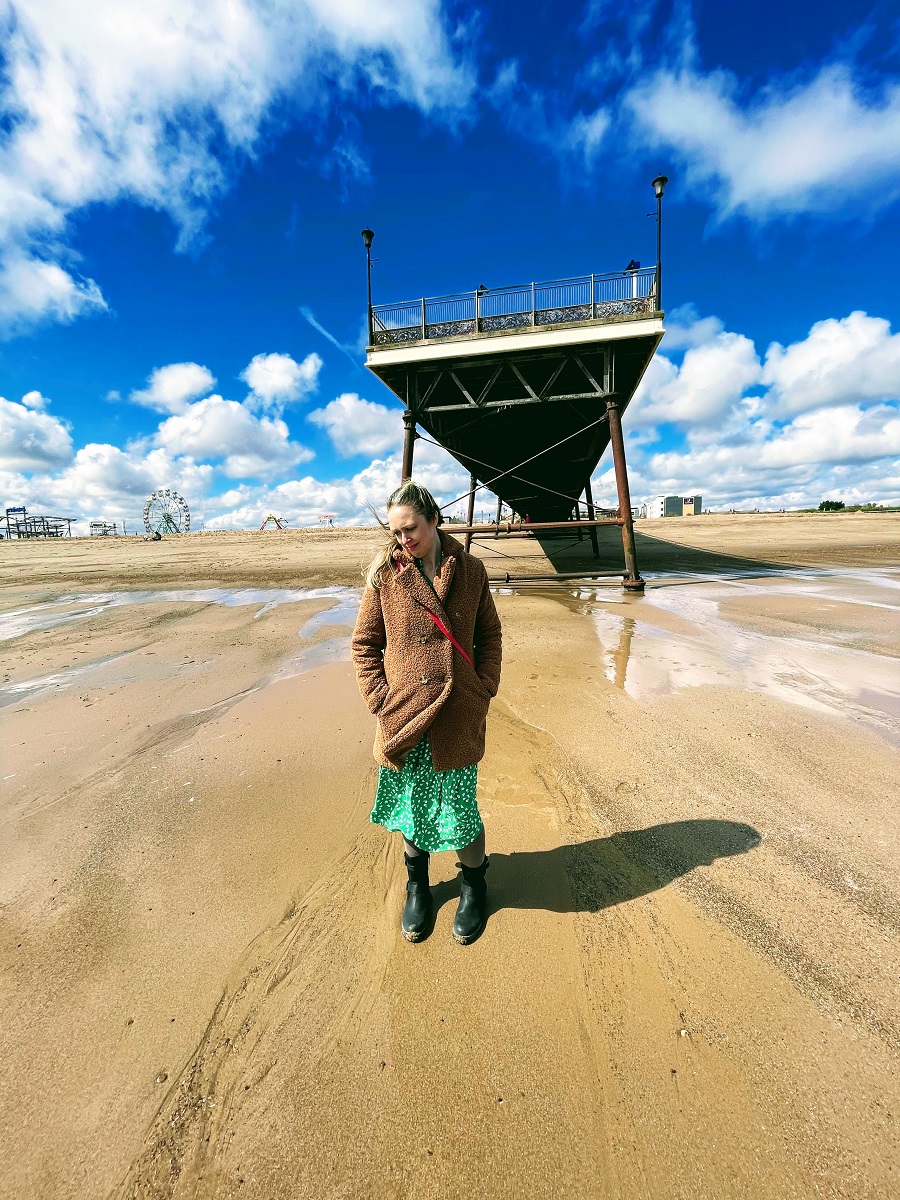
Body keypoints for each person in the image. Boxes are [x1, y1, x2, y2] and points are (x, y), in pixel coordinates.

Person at [351, 480, 502, 945]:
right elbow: (364, 645)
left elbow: (490, 635)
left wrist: (485, 686)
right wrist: (380, 700)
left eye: (411, 529)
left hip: (457, 714)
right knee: (410, 809)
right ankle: (418, 885)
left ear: (434, 519)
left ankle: (474, 885)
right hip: (405, 717)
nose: (404, 540)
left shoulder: (472, 571)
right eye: (397, 533)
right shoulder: (387, 577)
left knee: (461, 812)